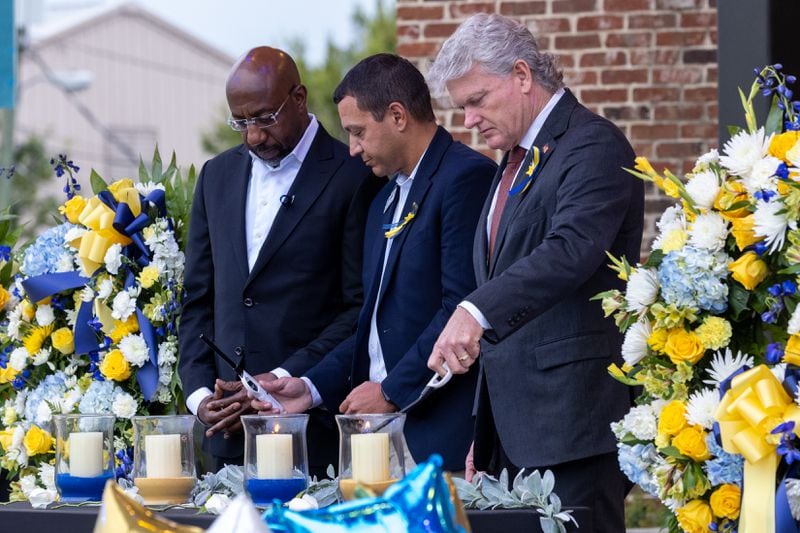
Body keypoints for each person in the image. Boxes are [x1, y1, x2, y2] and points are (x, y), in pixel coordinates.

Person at [426, 14, 644, 531]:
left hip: (574, 425)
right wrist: (488, 429)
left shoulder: (593, 144)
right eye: (462, 108)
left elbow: (570, 249)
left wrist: (472, 310)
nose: (469, 121)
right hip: (514, 433)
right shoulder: (513, 160)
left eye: (477, 100)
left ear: (522, 75)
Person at [253, 53, 496, 471]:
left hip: (439, 438)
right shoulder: (382, 200)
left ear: (398, 116)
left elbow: (460, 310)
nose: (353, 149)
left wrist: (391, 391)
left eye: (358, 132)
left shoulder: (465, 178)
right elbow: (371, 327)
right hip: (378, 439)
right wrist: (309, 387)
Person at [178, 46, 382, 475]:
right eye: (241, 122)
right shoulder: (216, 175)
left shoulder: (354, 175)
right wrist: (201, 401)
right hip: (227, 442)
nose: (253, 136)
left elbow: (358, 310)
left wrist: (277, 380)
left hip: (314, 433)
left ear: (300, 98)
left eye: (265, 117)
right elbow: (198, 300)